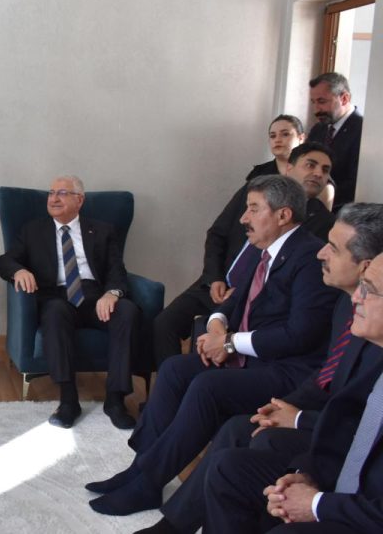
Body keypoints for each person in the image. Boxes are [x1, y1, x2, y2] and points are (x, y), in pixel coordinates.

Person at [86, 175, 339, 516]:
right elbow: (233, 301)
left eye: (253, 209)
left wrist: (230, 342)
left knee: (208, 386)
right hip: (254, 359)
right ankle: (140, 469)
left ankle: (147, 482)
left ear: (283, 215)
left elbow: (300, 334)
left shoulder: (307, 257)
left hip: (287, 369)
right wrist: (217, 324)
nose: (243, 218)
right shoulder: (265, 251)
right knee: (175, 369)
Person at [135, 203, 383, 534]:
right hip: (316, 413)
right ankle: (154, 493)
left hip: (296, 384)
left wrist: (297, 423)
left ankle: (153, 491)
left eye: (333, 248)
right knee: (213, 409)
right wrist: (285, 409)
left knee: (224, 401)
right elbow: (331, 378)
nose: (321, 253)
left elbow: (299, 340)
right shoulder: (346, 304)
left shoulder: (358, 314)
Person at [203, 252, 383, 533]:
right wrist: (305, 475)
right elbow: (347, 429)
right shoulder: (373, 355)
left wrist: (316, 504)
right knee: (228, 469)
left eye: (369, 290)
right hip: (343, 486)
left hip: (367, 513)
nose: (356, 297)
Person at [152, 140, 336, 366]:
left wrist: (244, 293)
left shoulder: (324, 223)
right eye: (311, 165)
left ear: (284, 216)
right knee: (164, 324)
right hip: (215, 284)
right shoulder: (253, 192)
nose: (318, 173)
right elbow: (217, 234)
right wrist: (214, 278)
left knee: (203, 359)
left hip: (253, 298)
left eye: (325, 170)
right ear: (289, 167)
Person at [0, 175, 141, 429]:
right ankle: (68, 400)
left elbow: (116, 270)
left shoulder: (102, 230)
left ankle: (115, 400)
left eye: (62, 193)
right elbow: (5, 261)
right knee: (53, 313)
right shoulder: (33, 231)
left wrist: (112, 293)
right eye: (51, 193)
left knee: (127, 311)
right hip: (57, 297)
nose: (53, 198)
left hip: (96, 297)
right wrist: (19, 270)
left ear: (79, 200)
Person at [306, 72, 363, 211]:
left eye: (322, 101)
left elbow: (356, 182)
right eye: (313, 102)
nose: (316, 110)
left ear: (344, 98)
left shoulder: (364, 131)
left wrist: (321, 197)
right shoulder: (317, 129)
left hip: (344, 212)